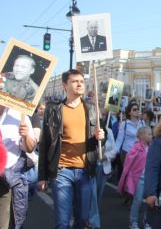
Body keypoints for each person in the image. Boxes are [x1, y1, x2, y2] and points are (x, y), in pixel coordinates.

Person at [37, 69, 105, 229]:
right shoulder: (53, 109)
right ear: (65, 85)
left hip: (85, 171)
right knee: (62, 221)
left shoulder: (92, 110)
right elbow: (45, 143)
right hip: (61, 171)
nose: (80, 84)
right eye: (75, 81)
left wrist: (102, 136)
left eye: (82, 81)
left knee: (82, 219)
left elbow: (99, 139)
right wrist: (42, 176)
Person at [0, 106, 36, 229]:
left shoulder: (19, 115)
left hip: (5, 180)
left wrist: (25, 136)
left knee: (3, 223)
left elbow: (30, 148)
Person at [117, 126, 152, 229]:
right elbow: (128, 163)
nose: (151, 136)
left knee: (149, 202)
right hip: (139, 179)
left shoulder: (152, 147)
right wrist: (128, 177)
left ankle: (147, 221)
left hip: (149, 179)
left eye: (151, 134)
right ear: (141, 136)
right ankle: (133, 222)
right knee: (137, 201)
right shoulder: (136, 148)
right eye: (149, 134)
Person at [88, 117, 117, 229]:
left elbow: (114, 149)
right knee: (92, 194)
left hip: (103, 167)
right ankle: (91, 220)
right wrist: (94, 154)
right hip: (91, 167)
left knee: (98, 194)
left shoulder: (108, 132)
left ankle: (94, 216)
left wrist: (105, 156)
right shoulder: (88, 131)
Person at [115, 102, 143, 168]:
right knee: (128, 174)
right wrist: (115, 152)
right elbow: (119, 139)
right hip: (127, 153)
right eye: (134, 109)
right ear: (129, 112)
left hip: (139, 153)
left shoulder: (142, 123)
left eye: (137, 109)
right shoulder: (124, 124)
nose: (137, 111)